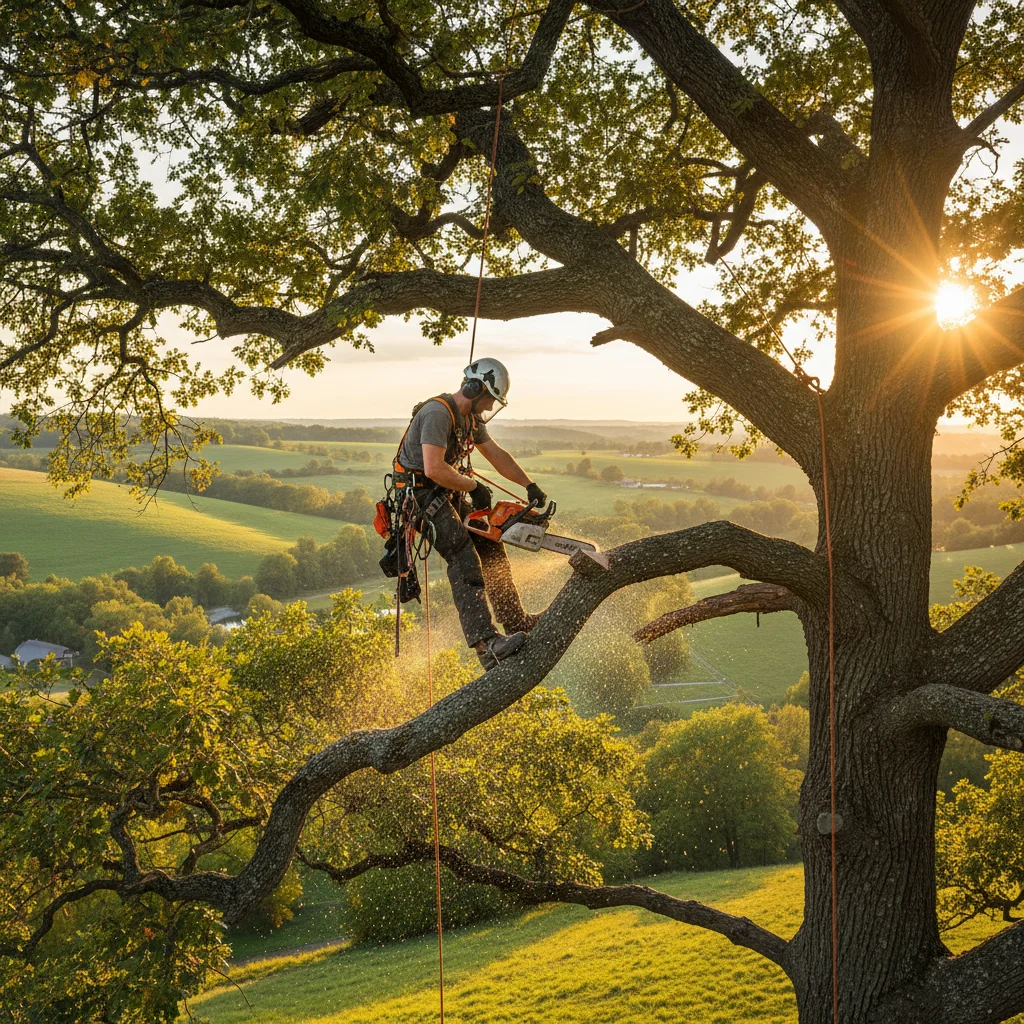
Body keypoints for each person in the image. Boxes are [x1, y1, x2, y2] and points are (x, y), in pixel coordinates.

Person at [393, 357, 547, 670]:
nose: (490, 407)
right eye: (489, 400)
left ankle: (514, 619)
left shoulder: (471, 420)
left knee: (489, 541)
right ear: (475, 389)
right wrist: (473, 486)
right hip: (421, 494)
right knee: (463, 554)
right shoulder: (438, 413)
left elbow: (497, 456)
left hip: (446, 490)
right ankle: (486, 645)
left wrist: (529, 485)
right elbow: (434, 469)